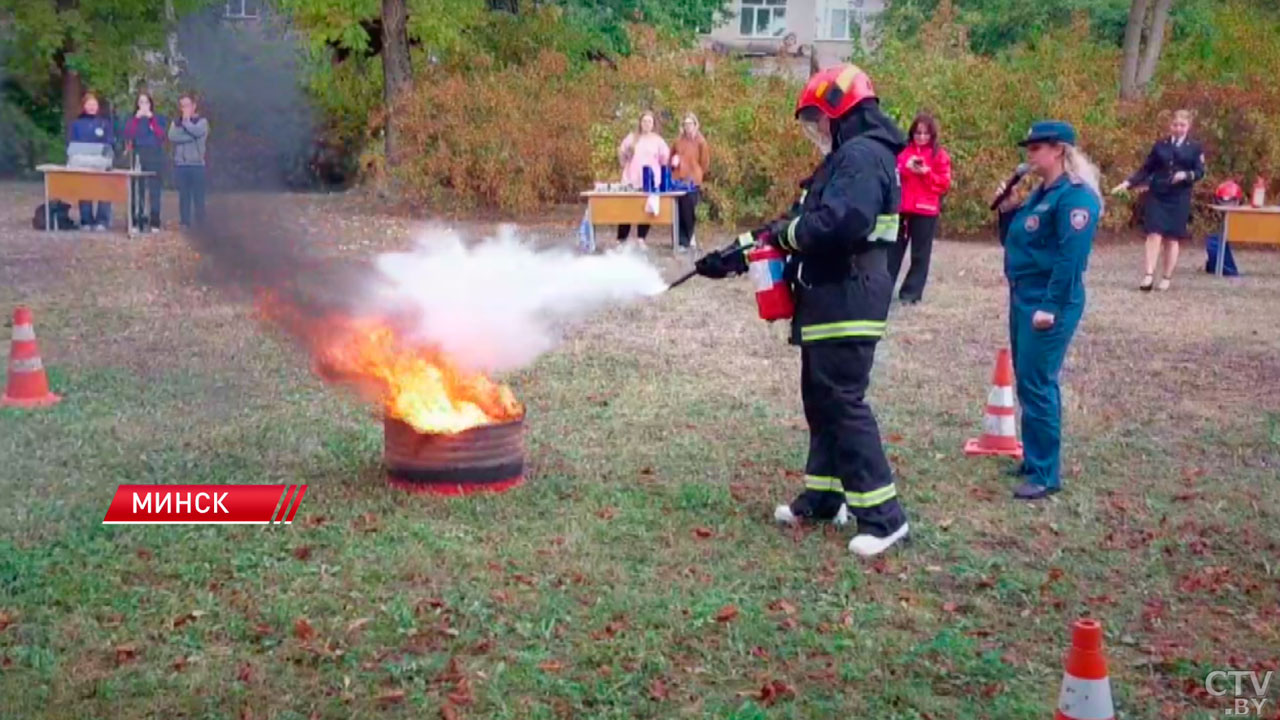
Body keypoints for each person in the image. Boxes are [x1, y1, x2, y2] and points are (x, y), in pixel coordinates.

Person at [693, 64, 910, 557]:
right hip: (829, 293)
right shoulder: (845, 159)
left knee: (843, 402)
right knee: (820, 398)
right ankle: (824, 497)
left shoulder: (862, 157)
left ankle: (883, 516)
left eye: (821, 119)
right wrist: (735, 253)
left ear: (844, 113)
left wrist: (785, 238)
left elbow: (838, 224)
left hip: (849, 293)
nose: (818, 130)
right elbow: (795, 219)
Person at [995, 121, 1102, 500]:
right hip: (1024, 295)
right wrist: (1007, 211)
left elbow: (1070, 259)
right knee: (1027, 378)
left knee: (1039, 382)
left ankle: (1045, 473)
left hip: (1049, 299)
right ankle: (1034, 457)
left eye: (1036, 148)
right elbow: (1017, 242)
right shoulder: (1043, 193)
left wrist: (1051, 307)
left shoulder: (1075, 197)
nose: (1030, 155)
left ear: (1058, 150)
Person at [1110, 109, 1205, 291]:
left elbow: (1200, 172)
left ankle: (1167, 277)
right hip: (1158, 194)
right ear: (1170, 125)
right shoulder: (1160, 145)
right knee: (1153, 234)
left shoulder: (1195, 147)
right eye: (1175, 125)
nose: (1178, 128)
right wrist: (1127, 183)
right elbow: (1146, 169)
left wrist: (1186, 174)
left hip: (1179, 197)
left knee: (1171, 238)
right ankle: (1148, 275)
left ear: (1188, 127)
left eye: (1182, 125)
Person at [890, 112, 952, 304]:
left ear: (932, 135)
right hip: (902, 209)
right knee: (892, 252)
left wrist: (926, 173)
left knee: (920, 254)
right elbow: (891, 175)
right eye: (918, 133)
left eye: (926, 133)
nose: (922, 137)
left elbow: (943, 184)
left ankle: (911, 293)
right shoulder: (902, 152)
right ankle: (883, 289)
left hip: (925, 211)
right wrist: (905, 168)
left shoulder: (939, 156)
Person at [616, 110, 669, 247]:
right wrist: (626, 154)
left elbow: (665, 159)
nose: (646, 124)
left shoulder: (658, 140)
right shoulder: (632, 137)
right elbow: (621, 154)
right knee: (626, 209)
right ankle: (621, 239)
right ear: (640, 123)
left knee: (647, 209)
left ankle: (641, 238)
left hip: (650, 181)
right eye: (644, 121)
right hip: (631, 179)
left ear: (653, 124)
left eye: (649, 121)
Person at [69, 92, 115, 230]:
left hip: (100, 162)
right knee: (85, 190)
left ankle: (102, 220)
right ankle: (86, 220)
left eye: (94, 104)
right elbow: (72, 142)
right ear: (84, 106)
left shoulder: (104, 123)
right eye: (89, 104)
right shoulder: (77, 124)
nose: (92, 107)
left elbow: (110, 141)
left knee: (104, 190)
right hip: (83, 161)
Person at [123, 91, 168, 232]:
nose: (143, 106)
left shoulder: (158, 118)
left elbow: (161, 136)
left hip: (154, 154)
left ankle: (154, 220)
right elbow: (128, 134)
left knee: (154, 188)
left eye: (146, 102)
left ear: (151, 104)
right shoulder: (132, 119)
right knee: (137, 188)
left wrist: (151, 119)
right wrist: (136, 119)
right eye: (141, 102)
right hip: (138, 153)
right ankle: (137, 219)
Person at [670, 112, 710, 253]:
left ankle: (688, 238)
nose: (688, 127)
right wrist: (673, 164)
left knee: (689, 211)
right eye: (685, 124)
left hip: (692, 181)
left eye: (690, 124)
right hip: (677, 180)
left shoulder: (701, 141)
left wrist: (697, 174)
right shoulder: (678, 141)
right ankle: (680, 240)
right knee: (677, 210)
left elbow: (704, 162)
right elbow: (671, 156)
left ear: (695, 124)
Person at [169, 93, 210, 228]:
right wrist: (190, 135)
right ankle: (185, 222)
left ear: (194, 106)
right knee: (184, 196)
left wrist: (186, 123)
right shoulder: (176, 122)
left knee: (199, 196)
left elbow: (198, 132)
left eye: (187, 105)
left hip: (197, 165)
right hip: (181, 165)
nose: (184, 109)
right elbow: (172, 136)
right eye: (182, 106)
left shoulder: (202, 122)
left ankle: (201, 223)